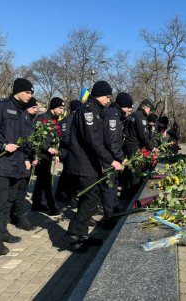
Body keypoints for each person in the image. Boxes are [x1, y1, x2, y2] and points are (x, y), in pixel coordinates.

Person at [63, 80, 122, 252]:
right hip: (83, 164)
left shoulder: (97, 111)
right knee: (90, 199)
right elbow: (93, 141)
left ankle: (82, 234)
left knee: (90, 198)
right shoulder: (87, 111)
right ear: (98, 94)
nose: (109, 100)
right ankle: (73, 234)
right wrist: (111, 160)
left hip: (90, 163)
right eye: (107, 96)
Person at [0, 78, 34, 256]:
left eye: (32, 93)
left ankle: (3, 232)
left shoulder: (24, 113)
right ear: (18, 91)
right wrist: (3, 145)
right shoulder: (0, 106)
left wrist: (27, 157)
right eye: (27, 92)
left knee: (9, 201)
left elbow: (25, 138)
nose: (30, 95)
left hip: (17, 165)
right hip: (0, 164)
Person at [99, 92, 133, 229]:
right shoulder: (112, 116)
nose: (130, 111)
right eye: (129, 108)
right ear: (123, 106)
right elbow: (112, 142)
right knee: (108, 187)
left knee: (114, 184)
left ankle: (113, 210)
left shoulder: (117, 115)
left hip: (113, 158)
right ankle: (108, 218)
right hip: (108, 159)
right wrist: (121, 158)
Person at [31, 97, 65, 216]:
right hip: (40, 155)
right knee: (46, 181)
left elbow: (55, 138)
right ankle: (52, 206)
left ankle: (36, 203)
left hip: (49, 155)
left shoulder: (55, 120)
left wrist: (55, 153)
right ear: (54, 107)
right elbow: (36, 137)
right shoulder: (42, 118)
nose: (62, 110)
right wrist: (47, 148)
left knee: (41, 181)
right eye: (60, 108)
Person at [9, 97, 38, 231]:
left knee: (21, 189)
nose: (36, 109)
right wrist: (26, 158)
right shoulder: (23, 119)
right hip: (21, 160)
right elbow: (21, 141)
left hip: (27, 159)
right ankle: (19, 217)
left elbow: (31, 142)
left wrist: (34, 156)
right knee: (18, 191)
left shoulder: (30, 120)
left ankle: (15, 215)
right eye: (34, 107)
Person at [122, 99, 155, 198]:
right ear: (145, 107)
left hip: (127, 146)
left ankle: (125, 194)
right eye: (150, 109)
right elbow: (143, 136)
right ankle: (133, 196)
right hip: (134, 147)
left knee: (127, 171)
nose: (150, 112)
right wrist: (151, 147)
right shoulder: (141, 117)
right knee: (135, 172)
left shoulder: (132, 115)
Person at [55, 100, 83, 207]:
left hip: (73, 151)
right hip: (67, 151)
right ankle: (68, 197)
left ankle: (62, 194)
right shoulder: (68, 121)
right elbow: (65, 137)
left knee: (67, 175)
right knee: (69, 175)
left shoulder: (76, 119)